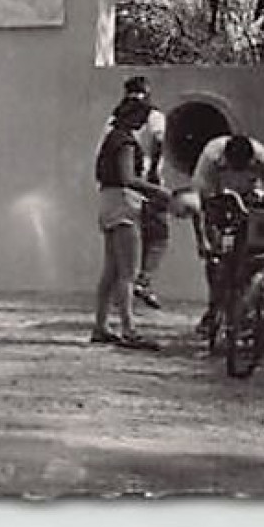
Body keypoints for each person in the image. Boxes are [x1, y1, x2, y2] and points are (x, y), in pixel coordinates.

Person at [92, 96, 172, 351]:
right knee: (128, 271)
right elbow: (129, 178)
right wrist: (160, 193)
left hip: (107, 201)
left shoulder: (110, 138)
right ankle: (129, 330)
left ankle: (101, 326)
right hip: (124, 203)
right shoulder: (125, 141)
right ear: (133, 117)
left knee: (111, 270)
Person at [190, 132, 264, 336]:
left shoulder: (263, 158)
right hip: (218, 200)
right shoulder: (211, 156)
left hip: (252, 201)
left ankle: (250, 305)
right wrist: (204, 241)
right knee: (216, 259)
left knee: (255, 255)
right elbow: (200, 205)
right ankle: (214, 307)